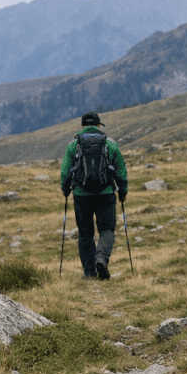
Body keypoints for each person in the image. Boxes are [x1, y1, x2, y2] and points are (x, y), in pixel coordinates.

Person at [60, 111, 128, 279]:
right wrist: (123, 190)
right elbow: (120, 169)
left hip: (81, 195)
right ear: (98, 125)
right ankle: (101, 259)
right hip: (105, 193)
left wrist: (65, 188)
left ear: (82, 126)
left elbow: (65, 171)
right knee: (107, 230)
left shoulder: (73, 145)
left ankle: (89, 273)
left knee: (85, 233)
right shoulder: (110, 144)